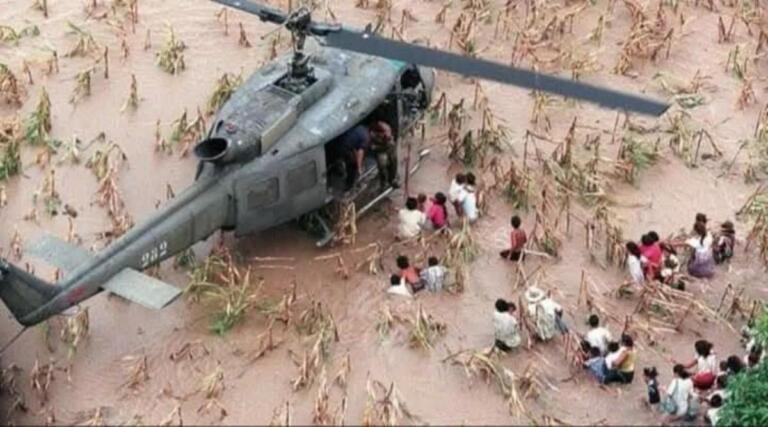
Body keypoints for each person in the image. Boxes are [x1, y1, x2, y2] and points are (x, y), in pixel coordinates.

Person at [334, 124, 369, 191]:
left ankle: (339, 169)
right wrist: (359, 168)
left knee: (340, 158)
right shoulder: (366, 138)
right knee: (352, 166)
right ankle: (349, 186)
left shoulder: (359, 127)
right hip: (344, 148)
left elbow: (354, 146)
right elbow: (360, 152)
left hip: (338, 142)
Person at [369, 121, 399, 190]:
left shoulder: (388, 132)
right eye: (384, 133)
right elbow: (373, 147)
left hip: (389, 149)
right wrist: (377, 147)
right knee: (382, 167)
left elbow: (391, 143)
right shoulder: (373, 134)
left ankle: (392, 180)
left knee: (393, 163)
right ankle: (383, 183)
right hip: (380, 151)